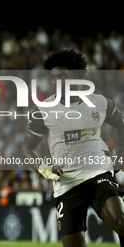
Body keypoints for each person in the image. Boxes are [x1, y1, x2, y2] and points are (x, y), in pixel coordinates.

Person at [21, 49, 124, 247]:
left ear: (75, 76)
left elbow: (121, 124)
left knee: (121, 222)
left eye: (61, 76)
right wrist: (45, 168)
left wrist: (120, 156)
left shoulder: (99, 102)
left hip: (98, 173)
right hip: (66, 183)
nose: (55, 82)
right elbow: (25, 150)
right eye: (52, 78)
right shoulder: (42, 110)